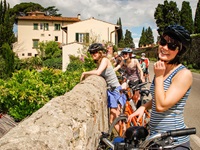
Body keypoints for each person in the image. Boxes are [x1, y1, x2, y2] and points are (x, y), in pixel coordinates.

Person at [128, 24, 192, 149]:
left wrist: (158, 77)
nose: (165, 48)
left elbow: (161, 105)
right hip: (156, 139)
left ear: (179, 51)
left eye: (172, 45)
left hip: (174, 142)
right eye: (163, 42)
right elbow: (159, 96)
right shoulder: (162, 68)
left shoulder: (183, 74)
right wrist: (144, 106)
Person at [80, 43, 126, 131]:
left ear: (100, 53)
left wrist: (84, 73)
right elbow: (97, 70)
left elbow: (98, 72)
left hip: (115, 90)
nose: (93, 54)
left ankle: (125, 137)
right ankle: (123, 137)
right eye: (91, 53)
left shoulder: (104, 60)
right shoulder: (100, 62)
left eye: (95, 52)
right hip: (111, 91)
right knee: (113, 119)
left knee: (116, 118)